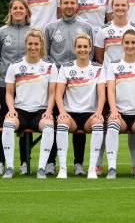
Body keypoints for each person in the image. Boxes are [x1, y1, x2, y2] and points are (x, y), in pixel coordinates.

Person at [44, 0, 94, 175]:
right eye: (65, 2)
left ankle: (78, 163)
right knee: (57, 121)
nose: (69, 6)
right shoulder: (50, 28)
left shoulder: (86, 27)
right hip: (57, 82)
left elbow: (92, 54)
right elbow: (47, 56)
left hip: (78, 81)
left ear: (77, 5)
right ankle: (50, 162)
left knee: (78, 119)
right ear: (60, 5)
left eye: (72, 2)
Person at [1, 29, 57, 179]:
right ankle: (10, 168)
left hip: (40, 111)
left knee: (49, 126)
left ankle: (40, 168)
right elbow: (9, 93)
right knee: (7, 124)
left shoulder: (50, 66)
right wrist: (11, 109)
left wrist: (49, 111)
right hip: (20, 110)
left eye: (36, 44)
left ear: (41, 45)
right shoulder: (15, 66)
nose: (33, 47)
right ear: (26, 45)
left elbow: (52, 93)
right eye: (30, 44)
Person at [54, 34, 106, 179]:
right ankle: (63, 169)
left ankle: (91, 169)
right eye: (79, 47)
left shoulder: (98, 68)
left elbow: (102, 94)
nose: (82, 49)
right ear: (75, 49)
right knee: (62, 123)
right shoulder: (65, 68)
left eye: (85, 46)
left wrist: (99, 112)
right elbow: (58, 94)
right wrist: (62, 112)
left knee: (98, 123)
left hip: (89, 114)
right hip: (70, 114)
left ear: (90, 48)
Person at [104, 30, 135, 179]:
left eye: (133, 42)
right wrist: (113, 110)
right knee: (112, 125)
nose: (130, 46)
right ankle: (112, 168)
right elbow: (111, 90)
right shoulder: (113, 66)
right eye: (127, 42)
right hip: (120, 113)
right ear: (122, 44)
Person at [0, 0, 32, 176]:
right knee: (2, 123)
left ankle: (25, 162)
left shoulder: (33, 32)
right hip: (4, 85)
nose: (17, 11)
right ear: (10, 11)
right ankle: (1, 162)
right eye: (14, 8)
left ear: (26, 12)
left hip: (27, 85)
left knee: (24, 125)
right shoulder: (1, 32)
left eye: (21, 8)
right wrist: (8, 73)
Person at [95, 0, 135, 65]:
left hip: (131, 73)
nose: (120, 7)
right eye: (117, 5)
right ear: (112, 7)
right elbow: (99, 58)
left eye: (123, 5)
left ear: (128, 7)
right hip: (110, 73)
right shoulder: (103, 30)